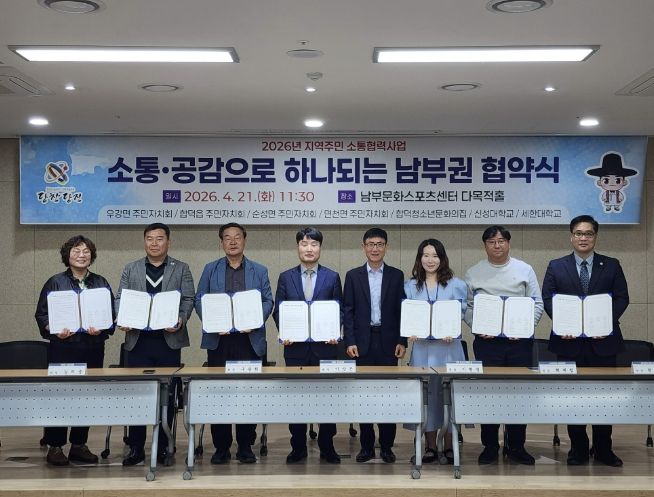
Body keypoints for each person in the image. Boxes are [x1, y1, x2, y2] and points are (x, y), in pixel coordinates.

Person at [542, 214, 629, 467]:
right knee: (573, 397)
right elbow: (548, 298)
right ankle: (578, 449)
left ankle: (603, 449)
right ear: (571, 237)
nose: (583, 238)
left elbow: (622, 298)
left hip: (603, 343)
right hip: (568, 343)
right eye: (579, 233)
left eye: (588, 233)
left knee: (604, 398)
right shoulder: (556, 265)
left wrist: (604, 324)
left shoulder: (611, 265)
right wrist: (563, 324)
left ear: (595, 237)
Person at [116, 223, 195, 466]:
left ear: (168, 242)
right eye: (149, 238)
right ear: (144, 242)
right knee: (137, 396)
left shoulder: (181, 268)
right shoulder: (131, 268)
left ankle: (163, 447)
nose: (154, 243)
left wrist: (180, 319)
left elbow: (188, 299)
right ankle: (136, 447)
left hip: (167, 342)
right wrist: (122, 317)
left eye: (159, 238)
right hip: (137, 341)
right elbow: (120, 298)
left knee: (166, 397)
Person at [463, 225, 543, 465]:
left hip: (519, 343)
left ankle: (516, 446)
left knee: (518, 393)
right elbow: (467, 307)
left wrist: (525, 328)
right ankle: (489, 445)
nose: (497, 245)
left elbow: (537, 303)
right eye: (491, 241)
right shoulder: (474, 272)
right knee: (489, 394)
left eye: (501, 241)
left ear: (508, 243)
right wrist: (477, 326)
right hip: (488, 344)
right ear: (485, 245)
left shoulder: (524, 269)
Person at [195, 222, 273, 465]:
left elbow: (268, 301)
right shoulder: (210, 269)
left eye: (237, 237)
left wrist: (255, 320)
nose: (232, 241)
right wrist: (212, 321)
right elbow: (199, 299)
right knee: (220, 394)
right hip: (219, 341)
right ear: (221, 242)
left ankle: (246, 446)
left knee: (248, 394)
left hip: (249, 341)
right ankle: (221, 447)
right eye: (227, 237)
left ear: (244, 241)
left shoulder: (259, 270)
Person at [35, 235, 115, 466]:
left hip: (92, 348)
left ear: (92, 255)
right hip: (63, 348)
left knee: (87, 397)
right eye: (76, 251)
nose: (82, 255)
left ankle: (79, 444)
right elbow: (41, 315)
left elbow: (111, 316)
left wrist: (101, 328)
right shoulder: (55, 282)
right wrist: (53, 329)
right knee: (60, 396)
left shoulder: (101, 282)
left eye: (86, 251)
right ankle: (55, 445)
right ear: (67, 255)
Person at [273, 227, 342, 464]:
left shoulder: (332, 277)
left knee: (327, 399)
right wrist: (285, 332)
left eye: (314, 244)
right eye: (304, 244)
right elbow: (279, 310)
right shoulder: (286, 277)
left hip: (326, 348)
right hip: (296, 349)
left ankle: (327, 445)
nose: (309, 249)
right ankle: (298, 446)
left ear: (320, 248)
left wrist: (336, 332)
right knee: (296, 399)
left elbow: (339, 309)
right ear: (298, 248)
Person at [343, 227, 406, 463]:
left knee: (388, 396)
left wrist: (402, 341)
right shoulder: (353, 276)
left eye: (379, 244)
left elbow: (401, 311)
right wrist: (350, 341)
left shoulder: (396, 275)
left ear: (386, 247)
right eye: (371, 244)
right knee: (364, 396)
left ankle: (387, 446)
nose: (375, 248)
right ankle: (366, 446)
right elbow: (348, 311)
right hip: (362, 343)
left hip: (388, 343)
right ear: (363, 247)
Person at [404, 239, 466, 465]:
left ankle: (449, 446)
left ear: (442, 258)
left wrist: (452, 329)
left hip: (449, 349)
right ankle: (430, 446)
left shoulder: (456, 284)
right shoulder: (411, 285)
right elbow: (407, 314)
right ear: (419, 258)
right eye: (426, 255)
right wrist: (409, 331)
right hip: (422, 349)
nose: (430, 260)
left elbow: (461, 313)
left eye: (435, 255)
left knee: (450, 396)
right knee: (427, 396)